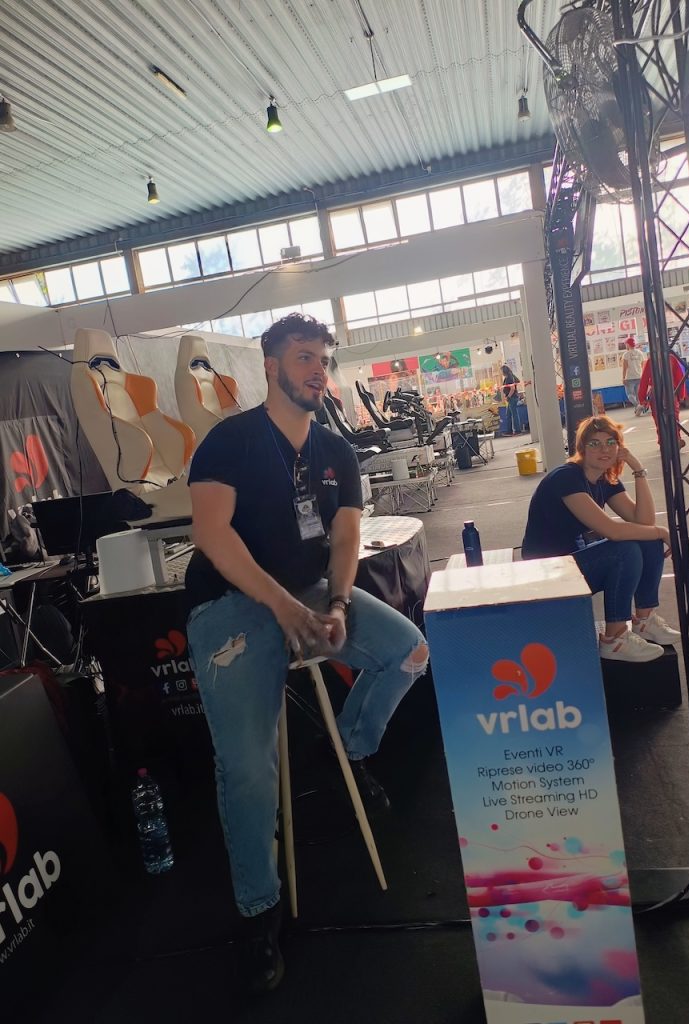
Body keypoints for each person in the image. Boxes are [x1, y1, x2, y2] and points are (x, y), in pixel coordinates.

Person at [184, 313, 429, 996]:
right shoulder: (229, 441)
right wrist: (283, 608)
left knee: (409, 651)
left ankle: (345, 748)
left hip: (312, 588)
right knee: (248, 768)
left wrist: (340, 603)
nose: (318, 370)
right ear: (270, 366)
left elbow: (346, 538)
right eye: (303, 358)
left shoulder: (335, 451)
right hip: (231, 601)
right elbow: (212, 536)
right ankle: (257, 912)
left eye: (323, 359)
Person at [521, 415, 680, 662]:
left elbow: (643, 521)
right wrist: (663, 532)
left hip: (573, 563)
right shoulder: (566, 478)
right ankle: (615, 640)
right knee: (625, 550)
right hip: (547, 571)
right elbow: (613, 531)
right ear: (582, 448)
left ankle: (645, 620)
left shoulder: (604, 479)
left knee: (646, 539)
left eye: (610, 442)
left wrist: (638, 469)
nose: (604, 449)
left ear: (619, 447)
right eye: (594, 443)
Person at [637, 351, 686, 448]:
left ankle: (663, 441)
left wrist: (642, 398)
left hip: (656, 393)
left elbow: (644, 380)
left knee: (658, 418)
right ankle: (676, 438)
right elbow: (679, 377)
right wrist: (681, 394)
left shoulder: (651, 361)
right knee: (674, 416)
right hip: (671, 392)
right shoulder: (671, 359)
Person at [621, 337, 645, 414]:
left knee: (630, 395)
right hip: (639, 376)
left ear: (628, 344)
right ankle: (638, 411)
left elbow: (625, 368)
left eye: (626, 344)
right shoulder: (640, 353)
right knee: (637, 395)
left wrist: (623, 378)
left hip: (629, 378)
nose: (625, 345)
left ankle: (638, 406)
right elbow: (642, 365)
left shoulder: (626, 354)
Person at [502, 364, 522, 435]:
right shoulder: (510, 376)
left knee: (514, 415)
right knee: (509, 415)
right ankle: (509, 431)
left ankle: (518, 430)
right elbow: (518, 381)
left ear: (504, 371)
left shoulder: (509, 378)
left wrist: (508, 397)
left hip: (512, 398)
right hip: (511, 398)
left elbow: (512, 389)